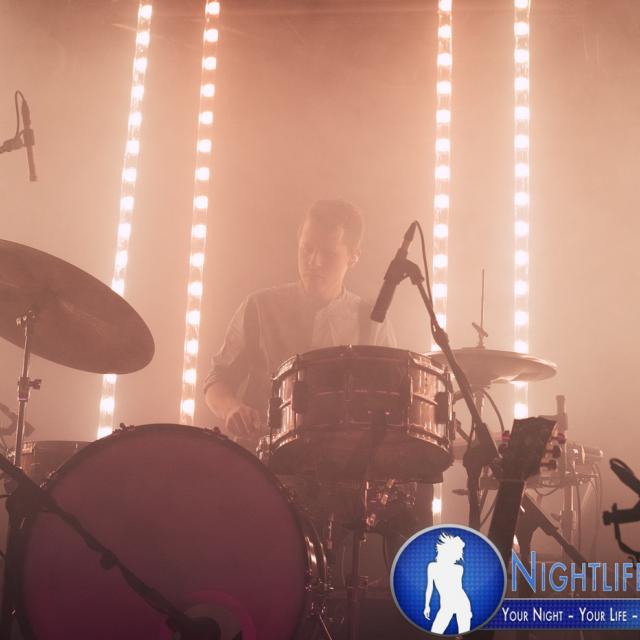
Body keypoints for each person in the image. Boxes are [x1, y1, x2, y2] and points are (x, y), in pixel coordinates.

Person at [203, 199, 396, 447]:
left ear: (354, 256)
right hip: (262, 460)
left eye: (328, 254)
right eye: (307, 249)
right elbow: (217, 379)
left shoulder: (372, 320)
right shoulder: (259, 307)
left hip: (343, 462)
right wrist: (231, 408)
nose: (315, 262)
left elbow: (391, 399)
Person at [424, 533, 472, 634]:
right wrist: (427, 605)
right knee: (435, 632)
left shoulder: (459, 569)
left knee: (463, 635)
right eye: (459, 551)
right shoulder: (432, 567)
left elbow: (458, 589)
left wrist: (467, 611)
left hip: (462, 603)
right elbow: (429, 587)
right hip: (446, 605)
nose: (460, 555)